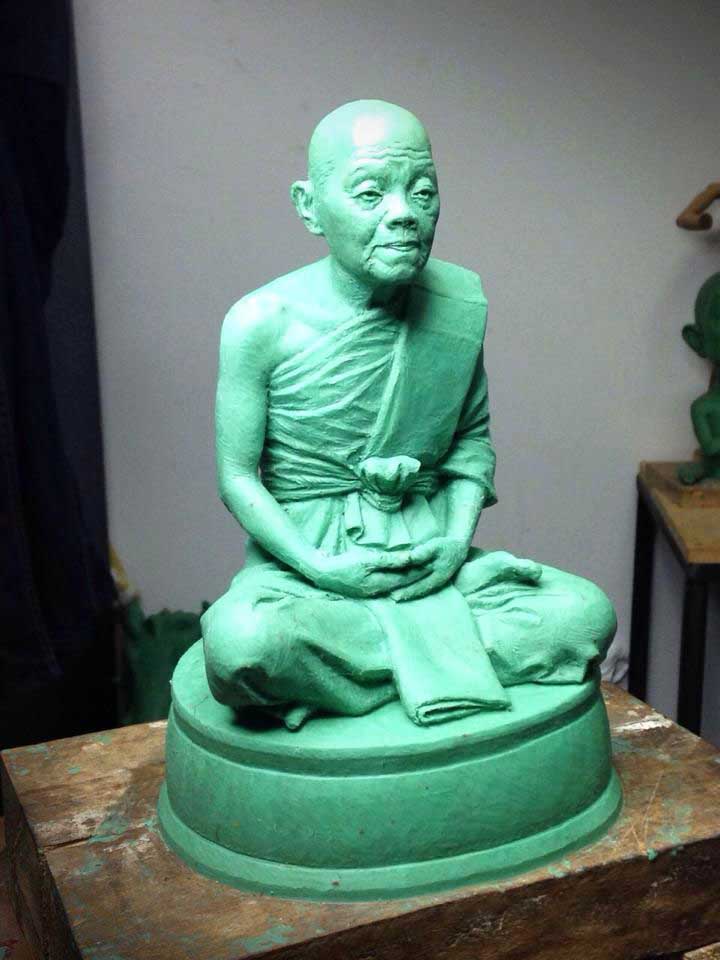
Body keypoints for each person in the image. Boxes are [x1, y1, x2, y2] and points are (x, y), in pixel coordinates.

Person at [201, 100, 616, 730]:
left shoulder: (455, 305)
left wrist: (453, 547)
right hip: (309, 569)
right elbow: (237, 477)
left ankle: (353, 674)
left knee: (585, 614)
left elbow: (470, 443)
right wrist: (321, 568)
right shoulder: (261, 323)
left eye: (422, 192)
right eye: (370, 193)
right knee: (242, 646)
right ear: (309, 206)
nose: (403, 214)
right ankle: (434, 657)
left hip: (426, 557)